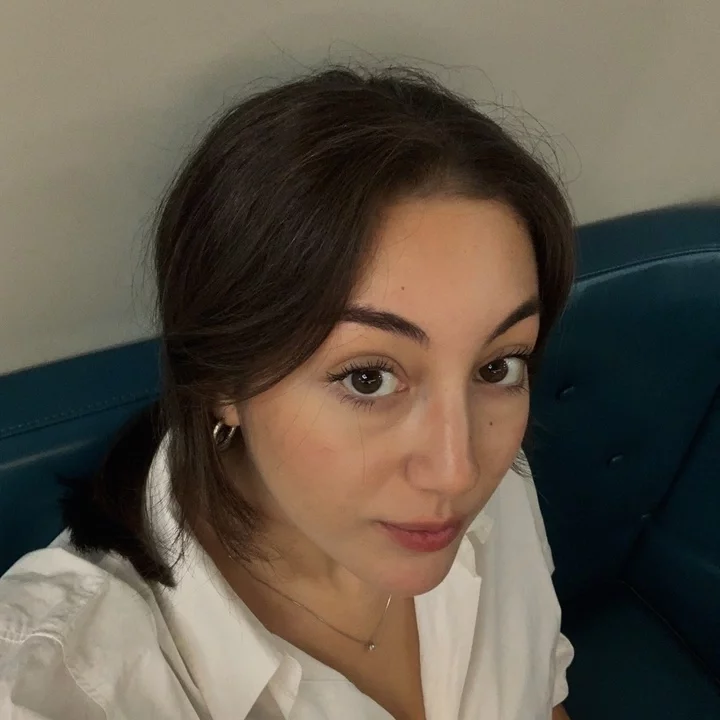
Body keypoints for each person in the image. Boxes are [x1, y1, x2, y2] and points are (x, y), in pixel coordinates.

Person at [0, 66, 575, 719]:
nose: (460, 471)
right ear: (223, 376)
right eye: (368, 378)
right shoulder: (61, 681)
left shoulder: (503, 487)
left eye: (497, 368)